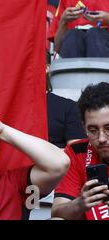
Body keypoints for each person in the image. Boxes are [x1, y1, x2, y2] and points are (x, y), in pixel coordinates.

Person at [52, 82, 109, 220]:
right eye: (93, 130)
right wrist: (80, 203)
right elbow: (57, 213)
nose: (101, 138)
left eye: (108, 128)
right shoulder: (76, 151)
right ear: (84, 127)